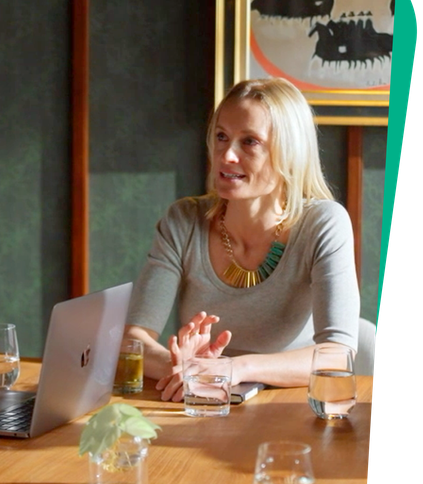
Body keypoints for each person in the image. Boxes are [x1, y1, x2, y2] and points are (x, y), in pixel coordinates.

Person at [124, 77, 360, 401]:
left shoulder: (324, 223)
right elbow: (132, 341)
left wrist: (235, 369)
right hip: (201, 406)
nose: (226, 155)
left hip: (290, 410)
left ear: (289, 153)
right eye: (222, 136)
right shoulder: (183, 221)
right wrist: (186, 368)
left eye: (249, 142)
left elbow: (337, 355)